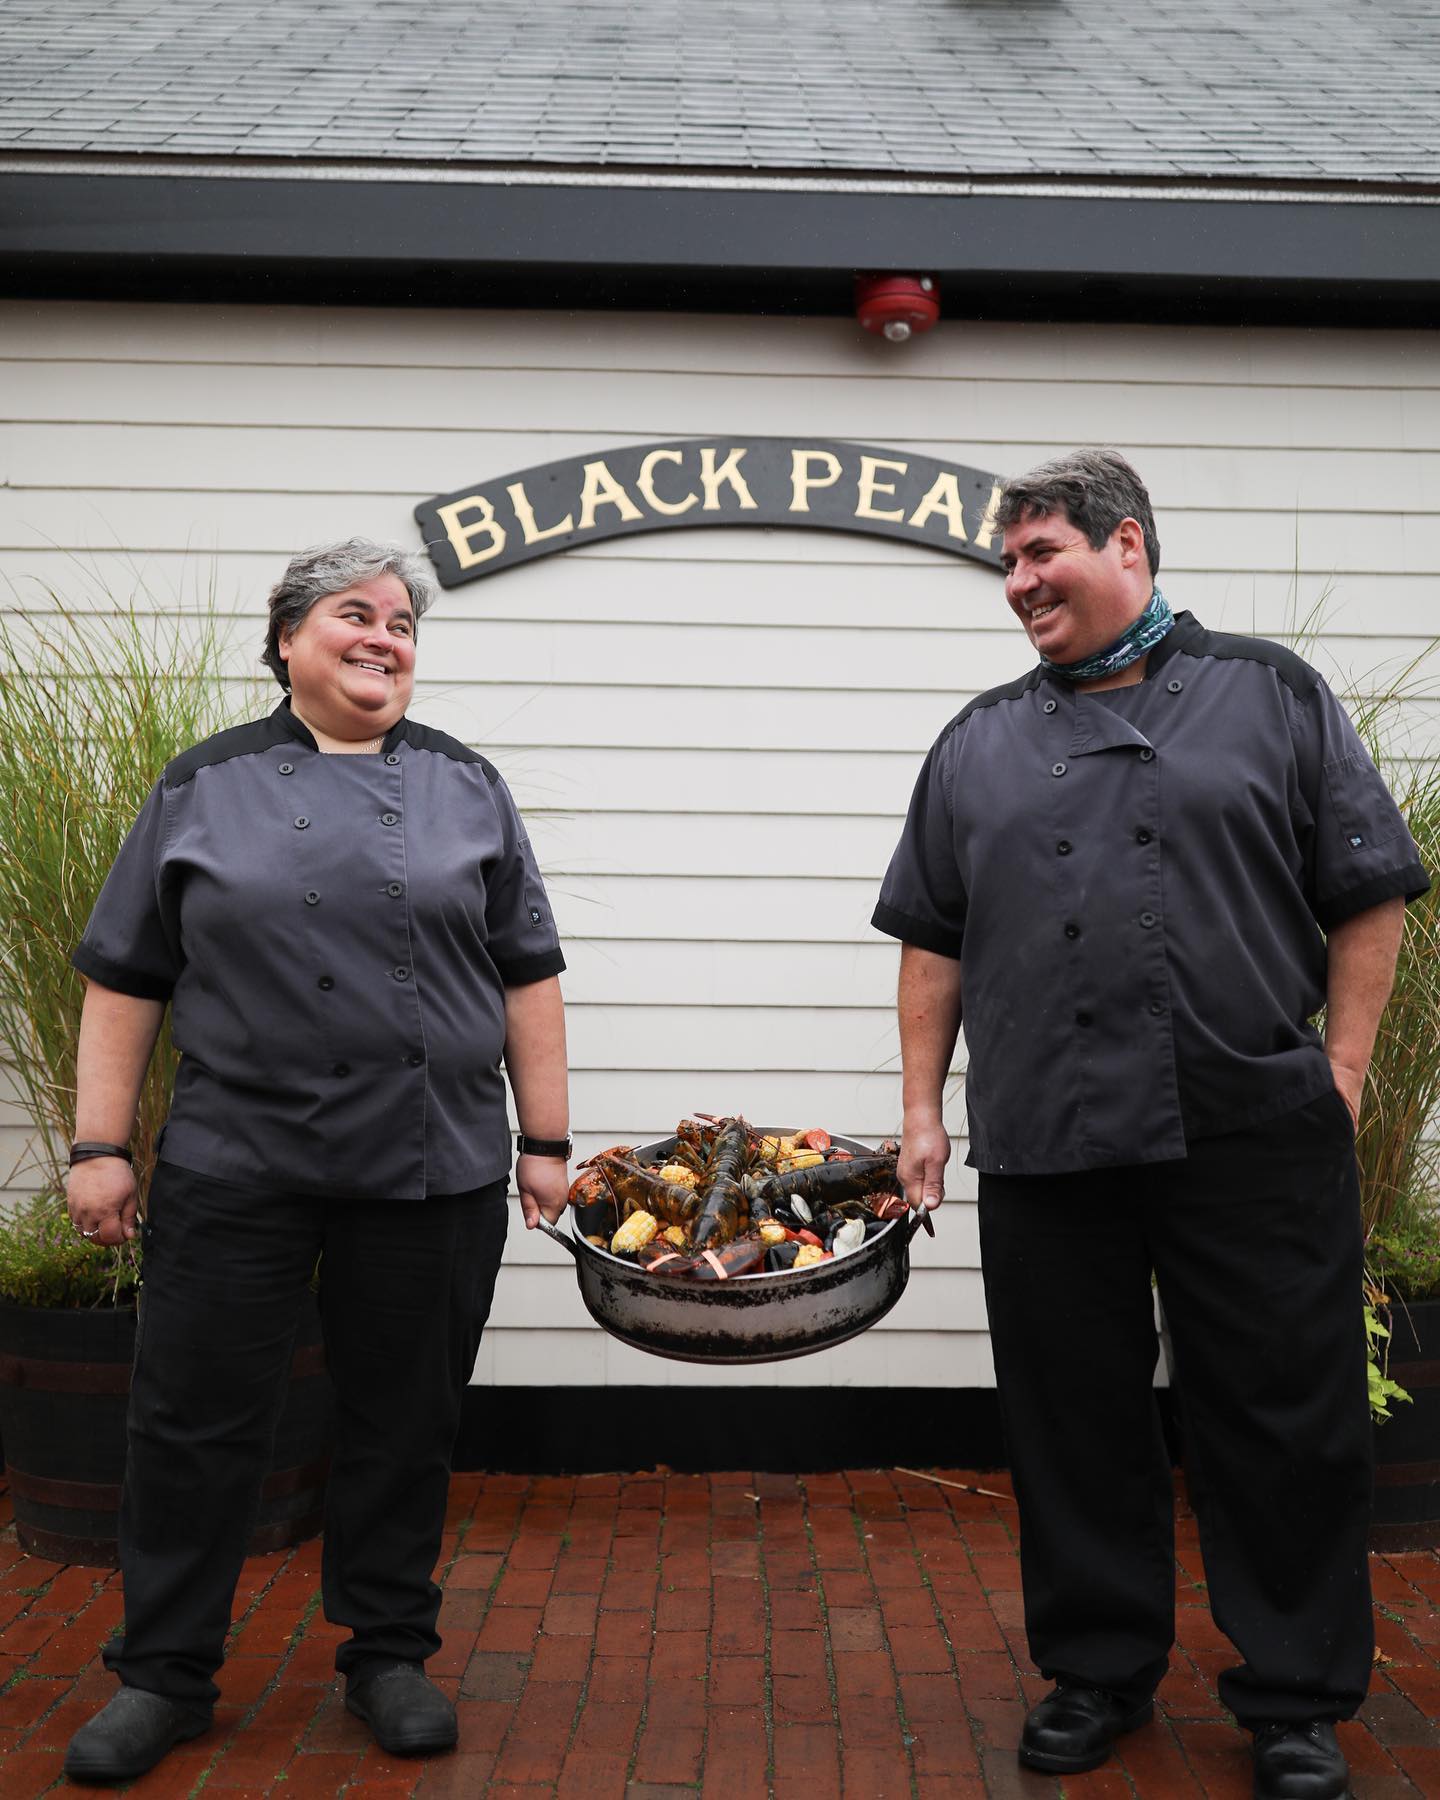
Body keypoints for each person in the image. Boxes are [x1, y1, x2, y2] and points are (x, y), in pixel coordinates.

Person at [873, 450, 1427, 1800]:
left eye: (1040, 553)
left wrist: (1342, 1073)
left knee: (1282, 1419)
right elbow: (931, 943)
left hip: (1252, 1124)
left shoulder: (1268, 696)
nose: (1017, 584)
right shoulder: (978, 739)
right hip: (1049, 1134)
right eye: (1006, 563)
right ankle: (1099, 1670)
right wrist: (917, 1113)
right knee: (1075, 1420)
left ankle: (1294, 1694)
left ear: (1128, 546)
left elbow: (1370, 891)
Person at [62, 538, 572, 1785]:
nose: (386, 638)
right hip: (238, 1163)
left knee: (403, 1423)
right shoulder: (202, 785)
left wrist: (547, 1141)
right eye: (358, 615)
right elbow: (125, 978)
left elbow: (529, 976)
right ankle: (165, 1673)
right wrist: (98, 1145)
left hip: (432, 1162)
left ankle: (388, 1653)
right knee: (190, 1423)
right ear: (288, 638)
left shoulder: (466, 785)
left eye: (404, 624)